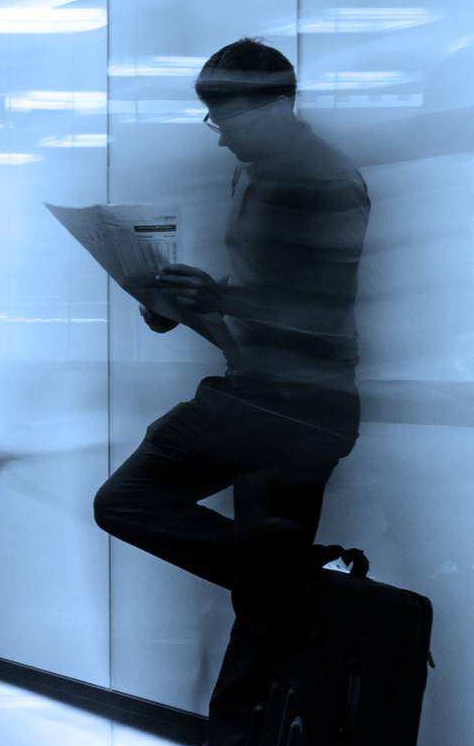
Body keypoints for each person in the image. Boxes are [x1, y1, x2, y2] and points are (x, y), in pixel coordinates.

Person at [93, 38, 371, 631]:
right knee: (265, 607)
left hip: (293, 406)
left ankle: (287, 575)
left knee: (127, 501)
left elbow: (322, 311)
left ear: (277, 105)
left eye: (227, 119)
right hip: (265, 397)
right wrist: (180, 305)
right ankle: (284, 578)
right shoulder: (254, 172)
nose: (219, 134)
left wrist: (217, 297)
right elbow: (265, 297)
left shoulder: (326, 178)